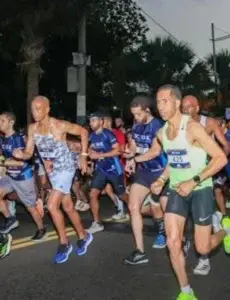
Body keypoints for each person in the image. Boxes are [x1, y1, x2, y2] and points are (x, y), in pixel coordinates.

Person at [152, 84, 230, 300]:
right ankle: (186, 292)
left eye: (164, 101)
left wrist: (194, 181)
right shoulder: (162, 133)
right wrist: (160, 180)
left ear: (177, 103)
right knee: (173, 241)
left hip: (201, 189)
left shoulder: (194, 128)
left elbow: (220, 158)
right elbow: (173, 162)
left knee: (202, 247)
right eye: (158, 102)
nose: (160, 106)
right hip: (177, 190)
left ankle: (225, 230)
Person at [13, 96, 93, 263]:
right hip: (53, 172)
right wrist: (22, 154)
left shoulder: (59, 125)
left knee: (51, 205)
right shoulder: (32, 128)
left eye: (39, 108)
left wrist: (83, 156)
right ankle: (83, 236)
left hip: (66, 169)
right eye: (33, 108)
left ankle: (64, 243)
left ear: (47, 109)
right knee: (68, 207)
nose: (35, 112)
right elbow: (29, 152)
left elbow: (84, 132)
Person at [182, 95, 230, 274]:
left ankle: (204, 259)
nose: (185, 109)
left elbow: (225, 146)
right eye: (183, 107)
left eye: (189, 106)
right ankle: (214, 220)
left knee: (199, 217)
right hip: (185, 174)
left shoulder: (209, 122)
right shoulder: (180, 124)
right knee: (184, 214)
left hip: (204, 175)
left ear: (196, 107)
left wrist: (214, 164)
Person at [124, 95, 167, 266]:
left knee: (166, 211)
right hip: (144, 172)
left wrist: (135, 160)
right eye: (133, 114)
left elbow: (155, 152)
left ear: (147, 110)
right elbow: (135, 146)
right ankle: (140, 251)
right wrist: (130, 154)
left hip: (161, 172)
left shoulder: (157, 126)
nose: (135, 118)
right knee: (133, 206)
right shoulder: (136, 124)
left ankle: (175, 237)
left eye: (138, 114)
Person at [0, 112, 45, 240]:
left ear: (11, 123)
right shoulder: (3, 139)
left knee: (30, 207)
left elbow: (20, 163)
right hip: (10, 176)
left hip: (23, 177)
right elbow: (5, 157)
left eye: (2, 120)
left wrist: (2, 162)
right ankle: (10, 219)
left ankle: (41, 228)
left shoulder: (17, 138)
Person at [87, 111, 128, 233]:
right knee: (93, 194)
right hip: (100, 170)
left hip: (114, 169)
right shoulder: (91, 136)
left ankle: (135, 208)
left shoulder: (108, 134)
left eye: (94, 120)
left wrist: (101, 154)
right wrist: (89, 160)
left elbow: (117, 151)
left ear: (101, 121)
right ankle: (97, 223)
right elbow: (90, 150)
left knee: (122, 195)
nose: (91, 123)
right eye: (90, 121)